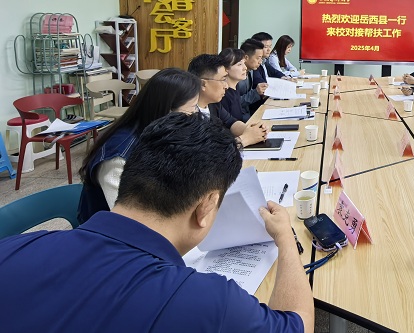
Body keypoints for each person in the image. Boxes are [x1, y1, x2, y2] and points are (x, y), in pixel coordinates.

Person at [0, 113, 314, 332]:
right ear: (206, 206)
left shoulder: (13, 249)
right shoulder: (211, 304)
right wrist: (285, 239)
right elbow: (297, 322)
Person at [77, 68, 201, 220]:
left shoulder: (161, 135)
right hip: (110, 229)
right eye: (192, 110)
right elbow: (129, 220)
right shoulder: (119, 157)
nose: (195, 116)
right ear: (169, 112)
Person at [188, 53, 267, 147]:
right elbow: (205, 150)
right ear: (203, 84)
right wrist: (244, 139)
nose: (226, 86)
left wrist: (251, 130)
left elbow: (231, 122)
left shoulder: (213, 103)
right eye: (222, 80)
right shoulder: (188, 114)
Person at [237, 38, 269, 120]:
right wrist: (256, 93)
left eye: (261, 58)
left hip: (247, 113)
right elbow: (234, 103)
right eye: (258, 58)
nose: (260, 62)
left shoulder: (251, 71)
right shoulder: (235, 75)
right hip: (239, 118)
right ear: (246, 57)